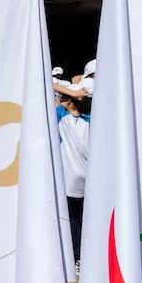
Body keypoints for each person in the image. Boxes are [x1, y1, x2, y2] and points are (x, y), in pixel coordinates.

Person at [52, 87, 91, 268]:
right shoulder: (92, 121)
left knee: (73, 221)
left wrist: (72, 92)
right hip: (89, 180)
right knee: (88, 219)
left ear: (68, 101)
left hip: (70, 182)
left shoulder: (62, 117)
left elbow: (47, 81)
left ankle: (77, 257)